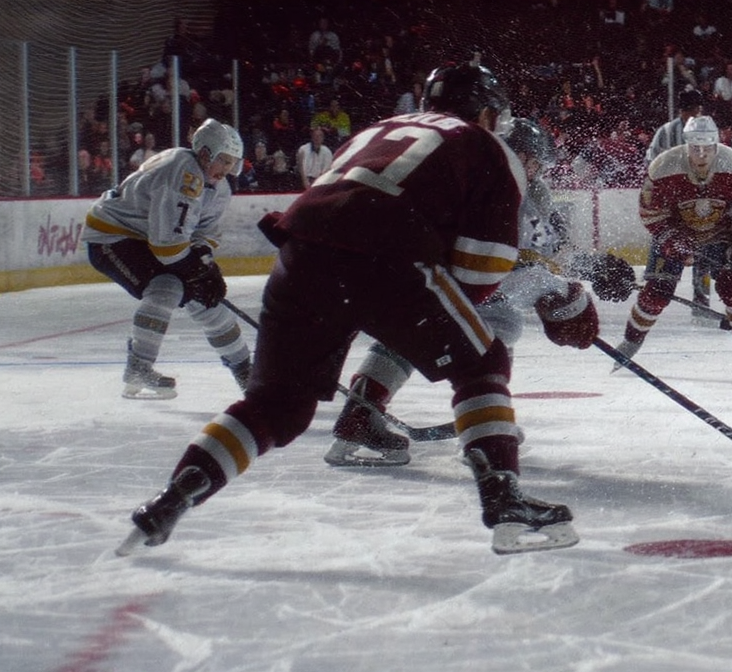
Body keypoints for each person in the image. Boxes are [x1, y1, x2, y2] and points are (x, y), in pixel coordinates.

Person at [117, 64, 593, 556]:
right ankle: (503, 497)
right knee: (483, 359)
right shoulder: (488, 147)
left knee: (275, 406)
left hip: (300, 254)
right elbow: (478, 274)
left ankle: (170, 500)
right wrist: (439, 323)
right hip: (387, 257)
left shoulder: (379, 130)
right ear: (490, 113)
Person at [324, 117, 637, 467]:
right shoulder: (503, 185)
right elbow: (522, 264)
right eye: (532, 161)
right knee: (500, 322)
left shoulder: (471, 169)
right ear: (518, 154)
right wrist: (573, 283)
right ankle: (486, 426)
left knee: (410, 328)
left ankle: (358, 416)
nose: (535, 170)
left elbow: (542, 252)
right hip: (435, 275)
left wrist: (591, 267)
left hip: (398, 269)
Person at [83, 118, 252, 400]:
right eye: (223, 160)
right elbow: (167, 248)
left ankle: (247, 374)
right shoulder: (183, 171)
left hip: (145, 239)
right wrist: (199, 271)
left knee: (199, 296)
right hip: (110, 237)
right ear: (205, 153)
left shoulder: (217, 189)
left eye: (232, 163)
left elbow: (204, 234)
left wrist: (204, 264)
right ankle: (138, 366)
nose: (226, 170)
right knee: (170, 286)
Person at [614, 115, 732, 375]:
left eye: (707, 148)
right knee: (657, 290)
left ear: (717, 144)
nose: (701, 154)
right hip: (676, 231)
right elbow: (649, 213)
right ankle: (631, 340)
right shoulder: (663, 167)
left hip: (720, 231)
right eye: (695, 148)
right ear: (686, 145)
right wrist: (671, 240)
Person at [646, 88, 719, 322]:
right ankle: (654, 292)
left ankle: (701, 301)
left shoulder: (707, 133)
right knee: (665, 246)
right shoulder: (666, 133)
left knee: (704, 251)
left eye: (698, 111)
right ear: (683, 111)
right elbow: (651, 164)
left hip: (700, 202)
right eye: (692, 112)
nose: (696, 116)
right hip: (670, 204)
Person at [295, 125, 333, 190]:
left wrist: (318, 182)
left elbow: (326, 169)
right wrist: (305, 181)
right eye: (315, 135)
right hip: (304, 179)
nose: (317, 138)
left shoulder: (327, 151)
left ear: (323, 138)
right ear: (312, 137)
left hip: (319, 180)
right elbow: (300, 166)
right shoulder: (303, 149)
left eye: (320, 136)